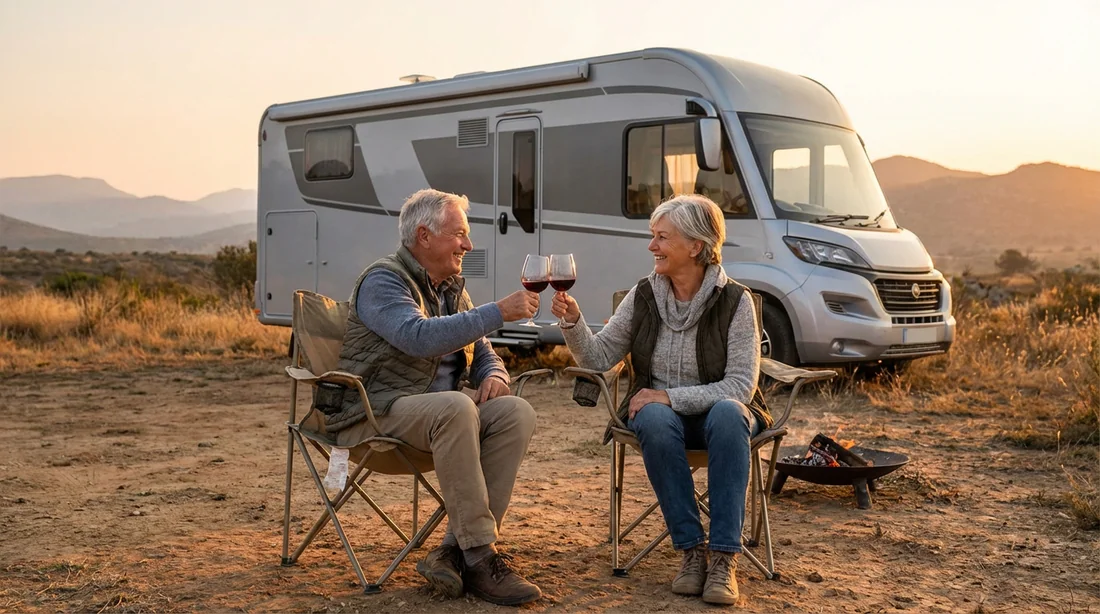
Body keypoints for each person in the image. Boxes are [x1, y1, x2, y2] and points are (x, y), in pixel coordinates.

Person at [551, 194, 770, 606]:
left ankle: (724, 557)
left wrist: (669, 396)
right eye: (652, 236)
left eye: (662, 237)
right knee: (650, 416)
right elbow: (598, 358)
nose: (652, 246)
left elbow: (740, 386)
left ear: (697, 247)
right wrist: (572, 320)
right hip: (662, 422)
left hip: (724, 418)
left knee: (725, 413)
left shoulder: (736, 302)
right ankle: (690, 552)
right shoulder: (644, 295)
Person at [331, 188, 543, 606]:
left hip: (441, 418)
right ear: (424, 237)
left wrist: (496, 374)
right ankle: (481, 558)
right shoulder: (383, 280)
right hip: (375, 411)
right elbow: (418, 338)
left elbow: (482, 350)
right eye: (459, 234)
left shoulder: (449, 289)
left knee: (515, 411)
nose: (468, 244)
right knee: (456, 406)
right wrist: (499, 310)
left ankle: (453, 551)